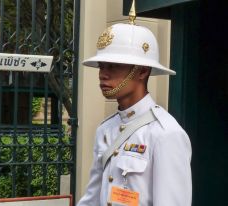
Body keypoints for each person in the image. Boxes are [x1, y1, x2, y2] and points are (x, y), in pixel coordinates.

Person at [77, 3, 192, 206]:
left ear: (142, 71)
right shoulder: (106, 129)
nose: (103, 74)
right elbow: (92, 198)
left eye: (113, 66)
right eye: (102, 66)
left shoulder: (165, 133)